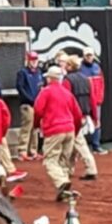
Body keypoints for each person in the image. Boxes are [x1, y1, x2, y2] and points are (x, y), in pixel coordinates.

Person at [33, 65, 84, 202]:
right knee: (63, 161)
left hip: (54, 130)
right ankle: (64, 193)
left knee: (50, 160)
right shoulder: (67, 93)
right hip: (69, 129)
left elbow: (37, 110)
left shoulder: (46, 91)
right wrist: (75, 130)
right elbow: (78, 115)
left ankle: (62, 182)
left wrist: (37, 125)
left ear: (50, 78)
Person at [64, 55, 98, 180]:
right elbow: (92, 100)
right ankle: (69, 169)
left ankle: (91, 169)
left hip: (72, 117)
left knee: (79, 143)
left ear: (70, 66)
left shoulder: (67, 80)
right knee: (75, 144)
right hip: (84, 116)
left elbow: (65, 100)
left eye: (66, 64)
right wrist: (95, 118)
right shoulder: (86, 79)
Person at [15, 51, 44, 160]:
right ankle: (22, 151)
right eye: (32, 60)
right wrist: (30, 99)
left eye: (35, 60)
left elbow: (41, 87)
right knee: (27, 127)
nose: (34, 62)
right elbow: (20, 87)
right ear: (27, 60)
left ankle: (33, 151)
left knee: (35, 128)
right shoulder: (22, 72)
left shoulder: (39, 72)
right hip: (27, 104)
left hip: (37, 104)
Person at [79, 48, 108, 154]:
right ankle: (81, 148)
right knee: (81, 123)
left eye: (90, 55)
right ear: (83, 56)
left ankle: (96, 146)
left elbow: (102, 84)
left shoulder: (97, 68)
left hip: (96, 101)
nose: (89, 57)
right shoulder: (79, 68)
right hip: (84, 101)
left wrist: (100, 98)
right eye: (87, 55)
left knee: (97, 123)